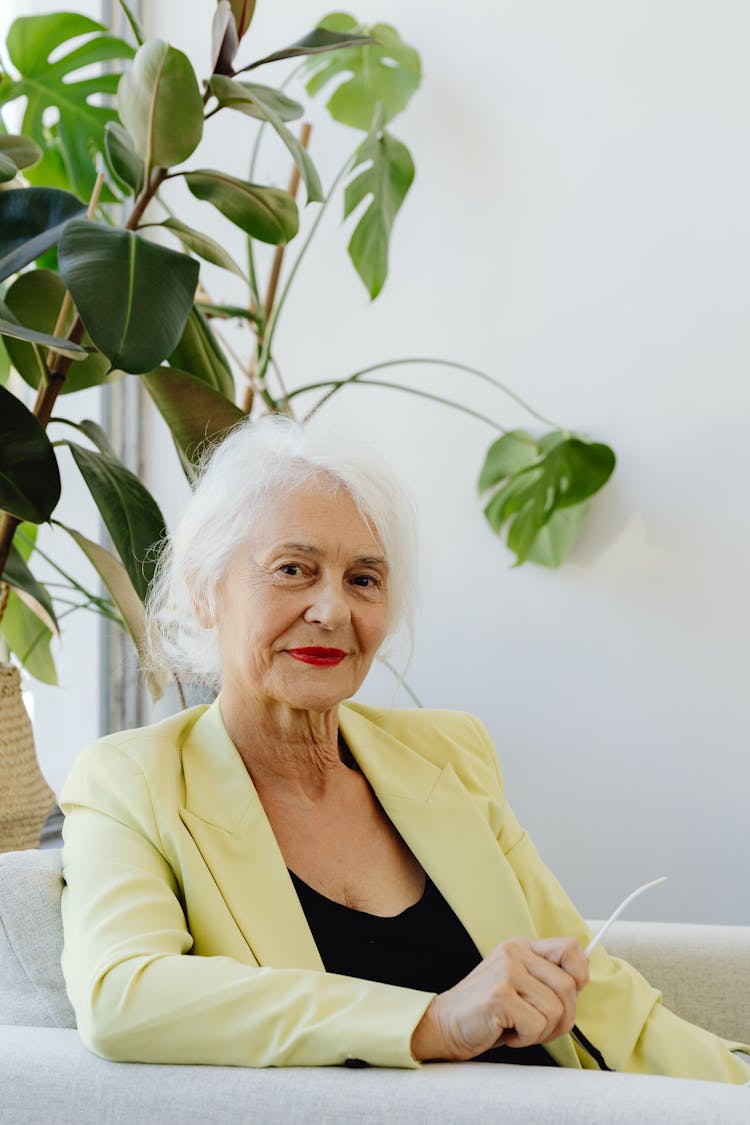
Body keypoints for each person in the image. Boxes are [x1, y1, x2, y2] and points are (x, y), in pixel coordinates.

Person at [59, 416, 750, 1081]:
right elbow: (122, 992)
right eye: (293, 569)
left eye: (364, 578)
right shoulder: (133, 780)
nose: (333, 610)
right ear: (204, 592)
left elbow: (598, 998)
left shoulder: (449, 751)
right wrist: (431, 1021)